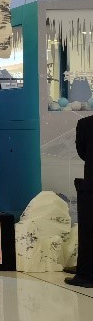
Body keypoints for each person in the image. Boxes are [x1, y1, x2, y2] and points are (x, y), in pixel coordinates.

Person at [68, 116, 93, 287]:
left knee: (89, 229)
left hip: (91, 186)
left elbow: (82, 153)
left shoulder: (85, 124)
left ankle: (86, 274)